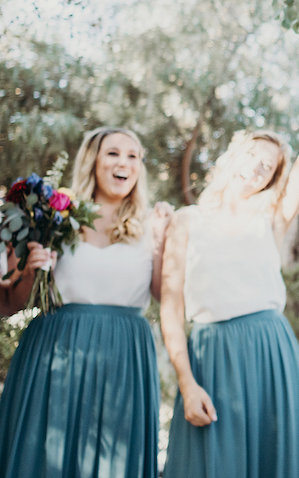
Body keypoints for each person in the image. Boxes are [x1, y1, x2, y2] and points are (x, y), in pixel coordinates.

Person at [160, 37, 299, 478]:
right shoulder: (185, 221)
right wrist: (186, 380)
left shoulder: (271, 218)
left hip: (270, 349)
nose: (257, 166)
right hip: (210, 356)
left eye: (269, 166)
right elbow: (171, 312)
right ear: (233, 155)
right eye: (253, 155)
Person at [0, 127, 172, 478]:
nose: (123, 162)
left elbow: (162, 296)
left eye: (132, 155)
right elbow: (13, 301)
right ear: (93, 160)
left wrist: (164, 243)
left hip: (124, 357)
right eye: (112, 153)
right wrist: (32, 271)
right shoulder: (53, 218)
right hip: (54, 352)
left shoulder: (151, 227)